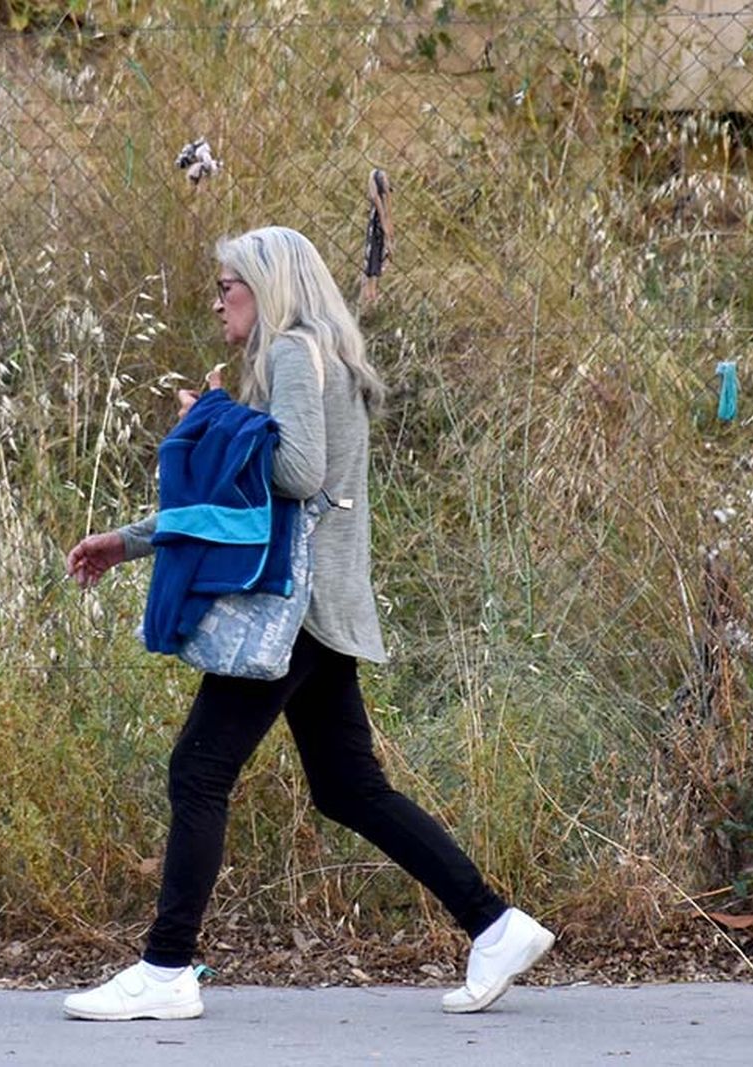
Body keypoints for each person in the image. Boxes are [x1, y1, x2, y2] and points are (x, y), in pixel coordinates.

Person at [62, 226, 553, 1022]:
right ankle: (495, 923)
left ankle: (166, 967)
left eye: (229, 284)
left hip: (288, 613)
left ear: (268, 285)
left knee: (199, 769)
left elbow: (295, 471)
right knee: (349, 786)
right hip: (325, 608)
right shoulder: (321, 351)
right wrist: (130, 541)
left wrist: (213, 418)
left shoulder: (293, 350)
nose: (218, 299)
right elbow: (247, 500)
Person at [359, 167, 393, 307]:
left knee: (374, 262)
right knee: (373, 262)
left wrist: (388, 231)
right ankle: (369, 295)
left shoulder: (382, 198)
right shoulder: (379, 200)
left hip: (377, 230)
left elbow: (386, 212)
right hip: (377, 229)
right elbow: (380, 203)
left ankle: (370, 295)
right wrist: (387, 229)